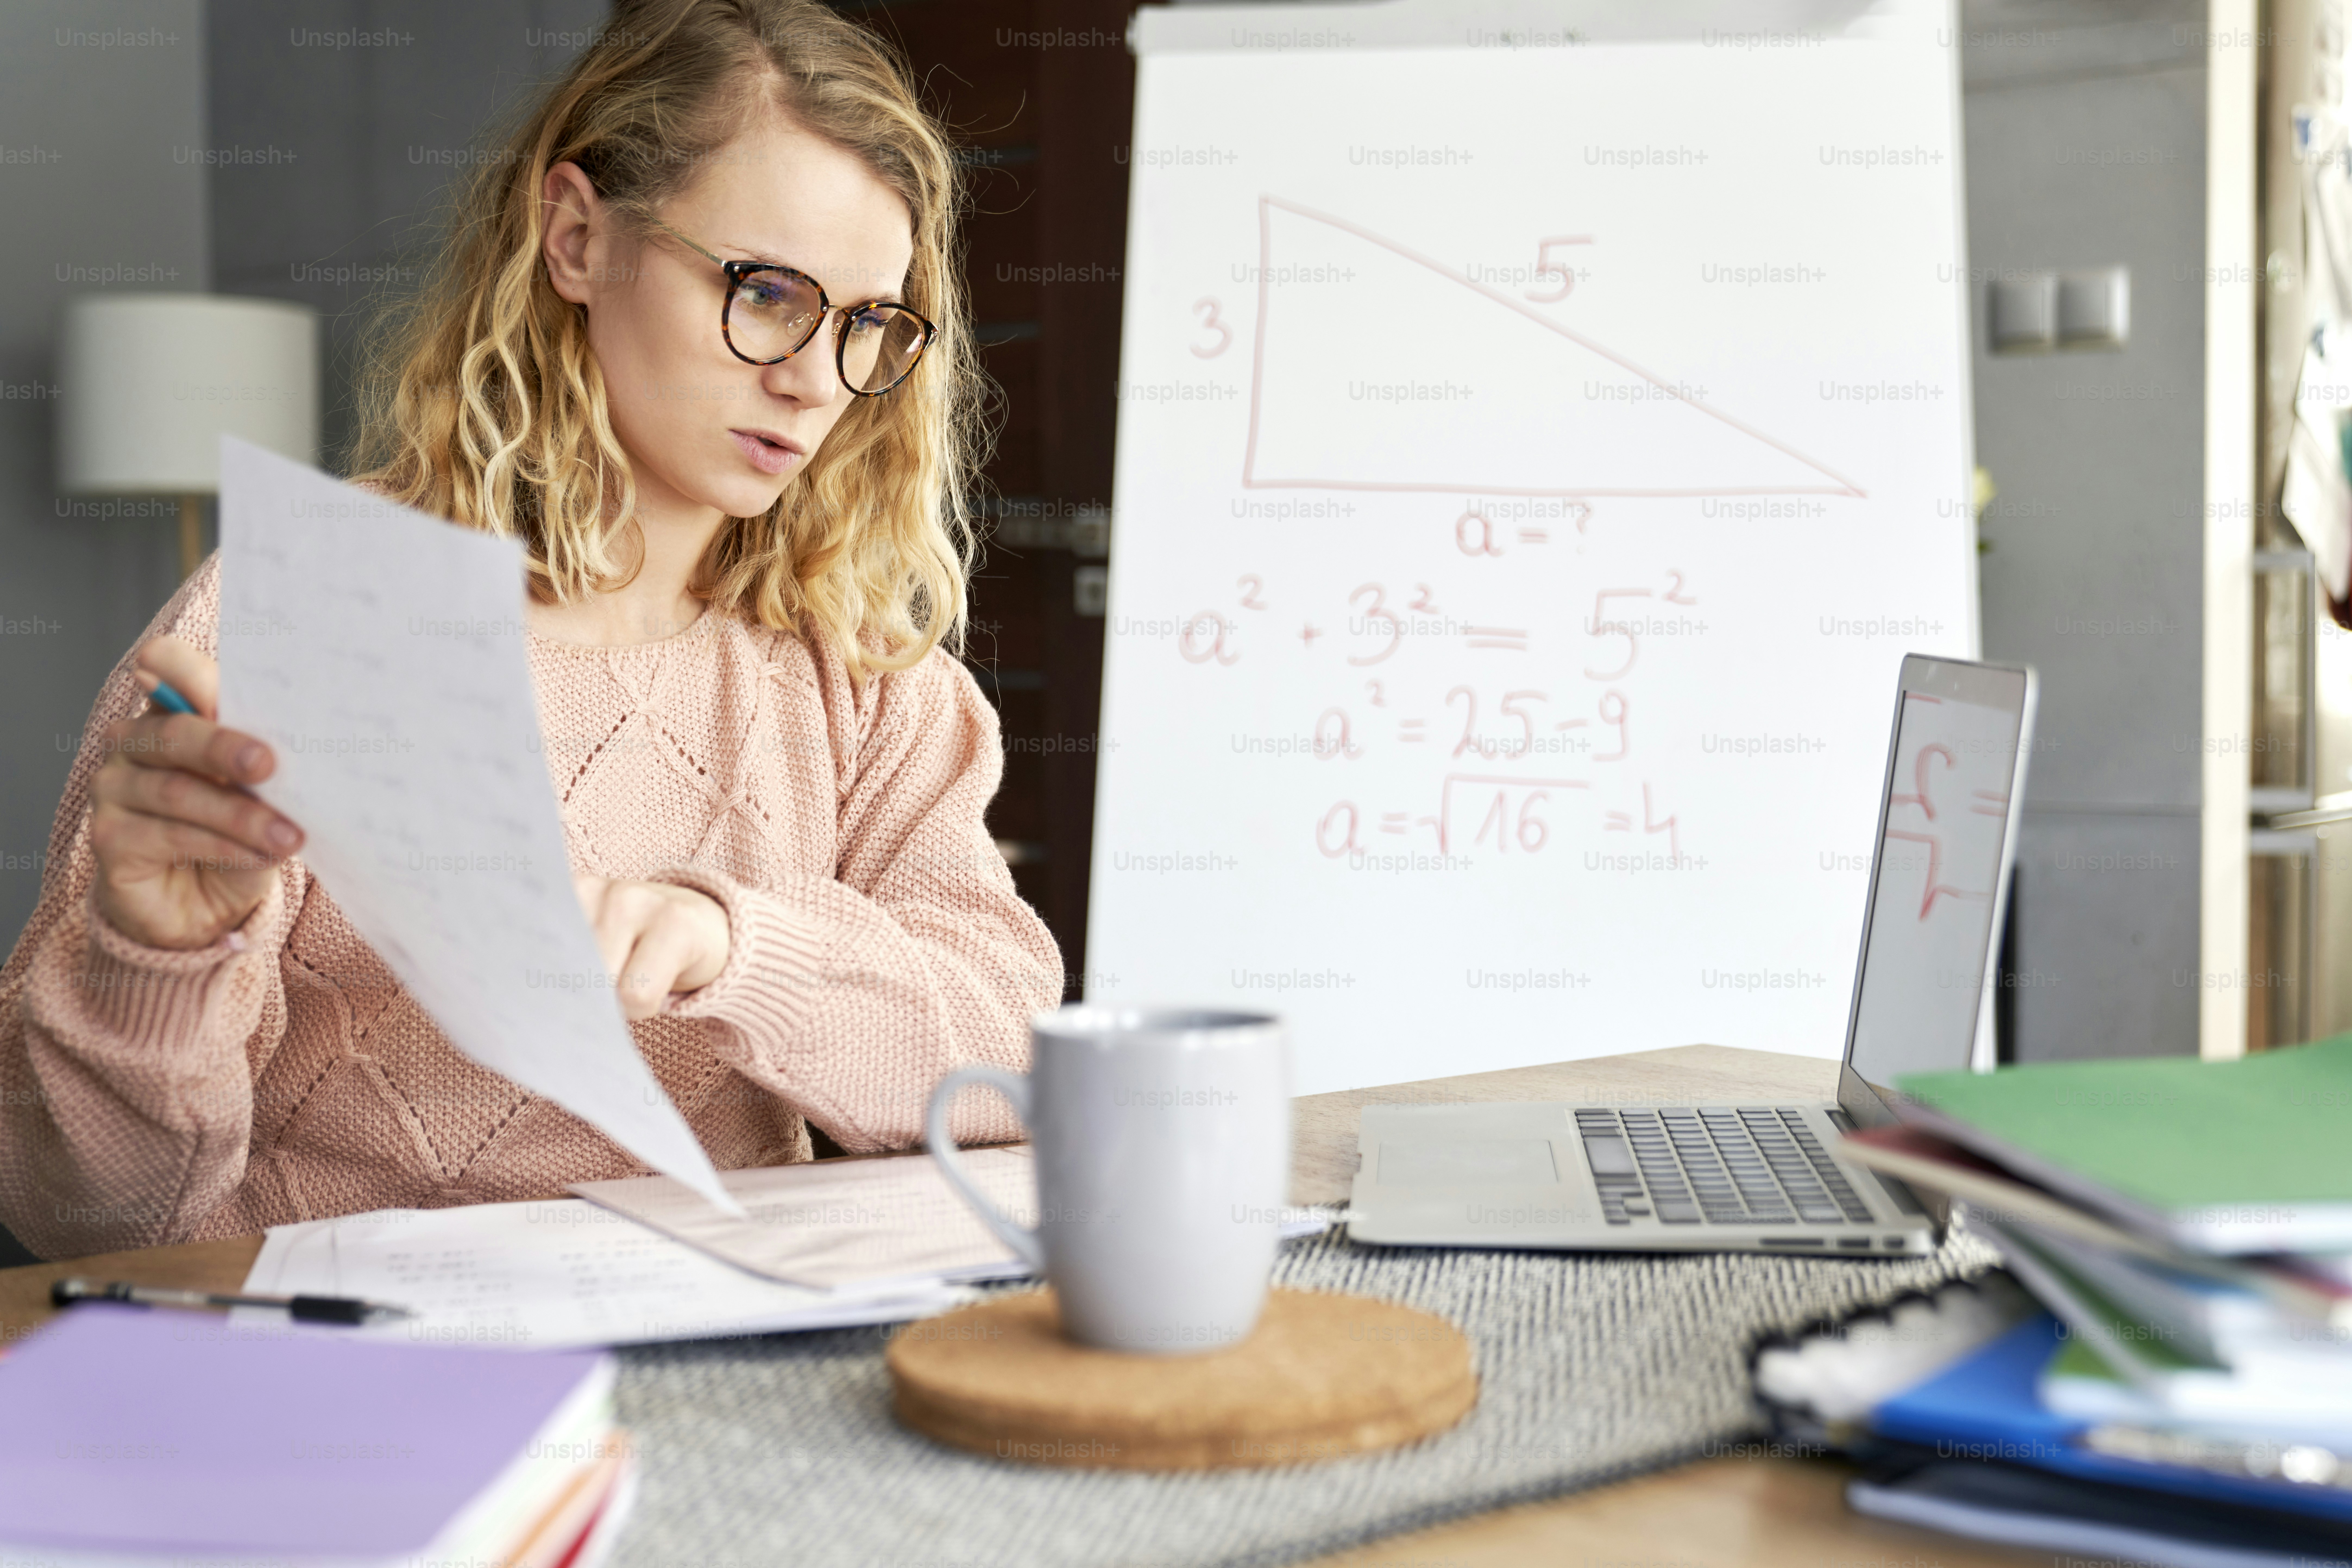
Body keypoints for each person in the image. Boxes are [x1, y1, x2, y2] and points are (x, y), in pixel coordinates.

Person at [0, 0, 1062, 1260]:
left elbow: (1008, 1068)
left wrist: (740, 947)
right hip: (333, 1344)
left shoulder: (864, 675)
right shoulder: (298, 621)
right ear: (575, 238)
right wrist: (151, 962)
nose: (814, 378)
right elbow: (84, 1215)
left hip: (713, 1334)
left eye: (865, 324)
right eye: (768, 292)